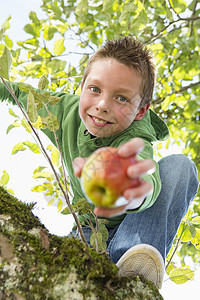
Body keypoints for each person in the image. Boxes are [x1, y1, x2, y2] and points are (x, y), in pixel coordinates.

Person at [0, 37, 198, 289]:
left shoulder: (136, 137)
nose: (102, 105)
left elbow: (146, 172)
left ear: (140, 111)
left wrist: (133, 192)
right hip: (88, 232)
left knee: (180, 166)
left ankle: (134, 269)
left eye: (122, 99)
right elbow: (16, 93)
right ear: (82, 86)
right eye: (95, 89)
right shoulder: (62, 111)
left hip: (134, 233)